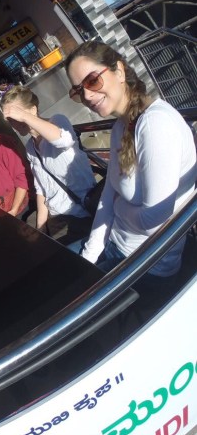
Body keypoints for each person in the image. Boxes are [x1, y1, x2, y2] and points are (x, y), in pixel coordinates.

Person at [65, 40, 196, 277]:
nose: (87, 95)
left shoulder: (156, 125)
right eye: (78, 91)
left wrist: (118, 207)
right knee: (57, 270)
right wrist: (90, 255)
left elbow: (155, 222)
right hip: (114, 243)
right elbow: (108, 195)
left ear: (119, 70)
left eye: (92, 81)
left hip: (146, 264)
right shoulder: (120, 126)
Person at [1, 85, 96, 244]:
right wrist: (41, 226)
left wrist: (24, 116)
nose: (14, 124)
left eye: (16, 116)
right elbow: (41, 187)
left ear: (33, 110)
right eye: (10, 121)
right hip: (56, 216)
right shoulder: (30, 147)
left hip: (81, 212)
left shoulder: (57, 121)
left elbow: (63, 140)